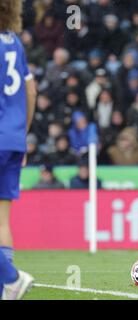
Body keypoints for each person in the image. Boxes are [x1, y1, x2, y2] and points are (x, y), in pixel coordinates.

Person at [0, 0, 36, 299]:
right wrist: (20, 135)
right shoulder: (14, 43)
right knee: (2, 218)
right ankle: (6, 287)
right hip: (12, 139)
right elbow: (31, 89)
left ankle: (11, 277)